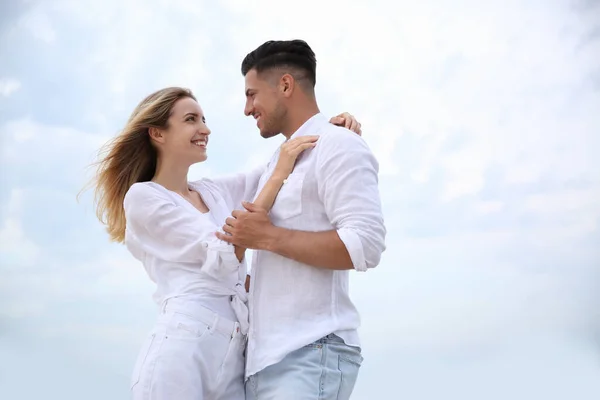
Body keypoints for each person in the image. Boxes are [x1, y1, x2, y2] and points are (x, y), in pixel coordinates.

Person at [88, 86, 363, 400]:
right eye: (191, 120)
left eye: (203, 119)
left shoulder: (212, 192)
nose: (204, 128)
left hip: (234, 358)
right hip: (183, 349)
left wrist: (327, 132)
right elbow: (225, 248)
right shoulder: (144, 197)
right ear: (157, 133)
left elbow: (277, 166)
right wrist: (277, 176)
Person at [216, 40, 386, 400]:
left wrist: (269, 237)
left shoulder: (339, 144)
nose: (247, 109)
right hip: (261, 365)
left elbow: (366, 244)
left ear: (286, 85)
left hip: (310, 355)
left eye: (252, 94)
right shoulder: (273, 167)